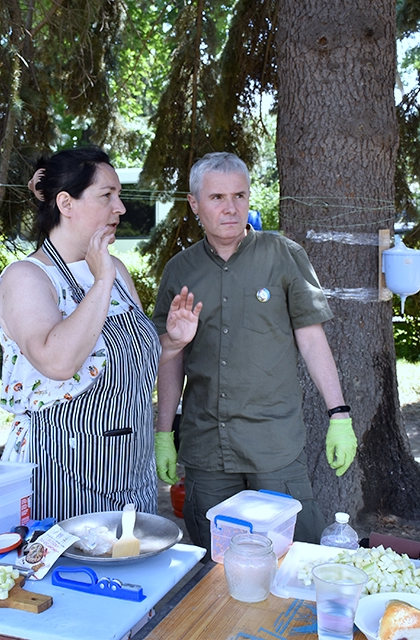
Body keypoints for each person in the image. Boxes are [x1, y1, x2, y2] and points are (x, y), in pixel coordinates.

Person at [151, 151, 357, 550]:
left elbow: (312, 339)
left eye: (240, 196)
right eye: (217, 198)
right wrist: (164, 433)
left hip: (274, 446)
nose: (231, 208)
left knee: (294, 554)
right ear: (194, 203)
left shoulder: (284, 256)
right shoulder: (180, 271)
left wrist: (340, 415)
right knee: (216, 565)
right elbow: (170, 357)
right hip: (208, 448)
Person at [0, 147, 198, 522]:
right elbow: (58, 361)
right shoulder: (28, 277)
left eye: (118, 195)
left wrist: (171, 341)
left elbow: (125, 365)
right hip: (58, 473)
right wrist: (100, 280)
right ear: (65, 203)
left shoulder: (117, 270)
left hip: (130, 472)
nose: (120, 208)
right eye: (107, 196)